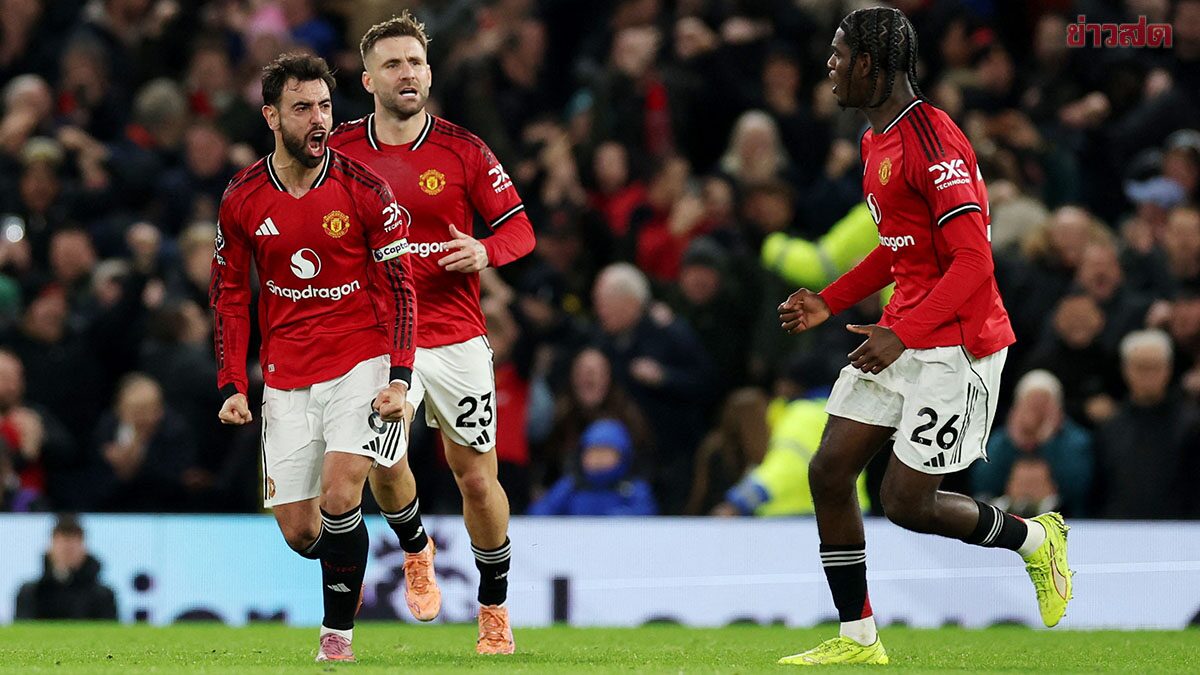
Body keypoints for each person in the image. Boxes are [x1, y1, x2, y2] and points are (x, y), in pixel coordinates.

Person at [775, 7, 1071, 666]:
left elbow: (973, 261)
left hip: (958, 341)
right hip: (907, 328)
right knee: (829, 470)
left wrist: (901, 334)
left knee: (906, 503)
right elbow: (898, 247)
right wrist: (830, 299)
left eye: (838, 54)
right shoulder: (874, 140)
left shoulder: (934, 143)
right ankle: (858, 638)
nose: (829, 66)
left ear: (868, 64)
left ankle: (1035, 539)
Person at [329, 11, 536, 655]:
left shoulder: (463, 150)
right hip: (379, 335)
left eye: (415, 62)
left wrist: (485, 250)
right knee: (382, 463)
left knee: (476, 478)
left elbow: (520, 229)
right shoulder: (338, 152)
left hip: (455, 334)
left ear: (429, 72)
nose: (407, 73)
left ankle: (493, 607)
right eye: (392, 64)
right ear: (368, 80)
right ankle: (416, 547)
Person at [209, 53, 417, 663]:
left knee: (341, 494)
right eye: (302, 108)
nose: (319, 119)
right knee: (303, 533)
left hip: (360, 360)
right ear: (272, 117)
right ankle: (351, 561)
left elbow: (401, 287)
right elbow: (229, 295)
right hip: (286, 375)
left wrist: (400, 376)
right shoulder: (243, 197)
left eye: (325, 106)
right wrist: (231, 383)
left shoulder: (365, 189)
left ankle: (336, 641)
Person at [527, 418, 657, 516]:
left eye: (605, 452)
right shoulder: (571, 485)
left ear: (622, 456)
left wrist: (617, 519)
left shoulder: (632, 488)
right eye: (593, 452)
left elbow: (645, 513)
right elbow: (543, 510)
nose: (598, 459)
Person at [15, 515, 117, 620]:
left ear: (83, 549)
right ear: (50, 548)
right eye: (62, 543)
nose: (67, 547)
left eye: (73, 543)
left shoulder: (103, 596)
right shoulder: (31, 593)